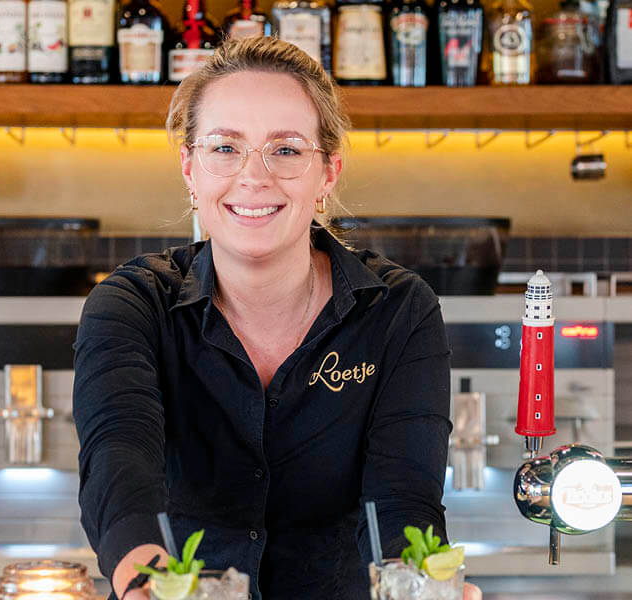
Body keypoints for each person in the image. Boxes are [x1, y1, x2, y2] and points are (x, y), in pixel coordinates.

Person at [73, 36, 482, 600]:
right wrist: (148, 583)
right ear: (190, 168)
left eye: (286, 150)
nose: (254, 177)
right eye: (225, 147)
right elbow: (119, 459)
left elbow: (403, 498)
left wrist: (420, 586)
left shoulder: (397, 310)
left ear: (328, 173)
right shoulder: (131, 305)